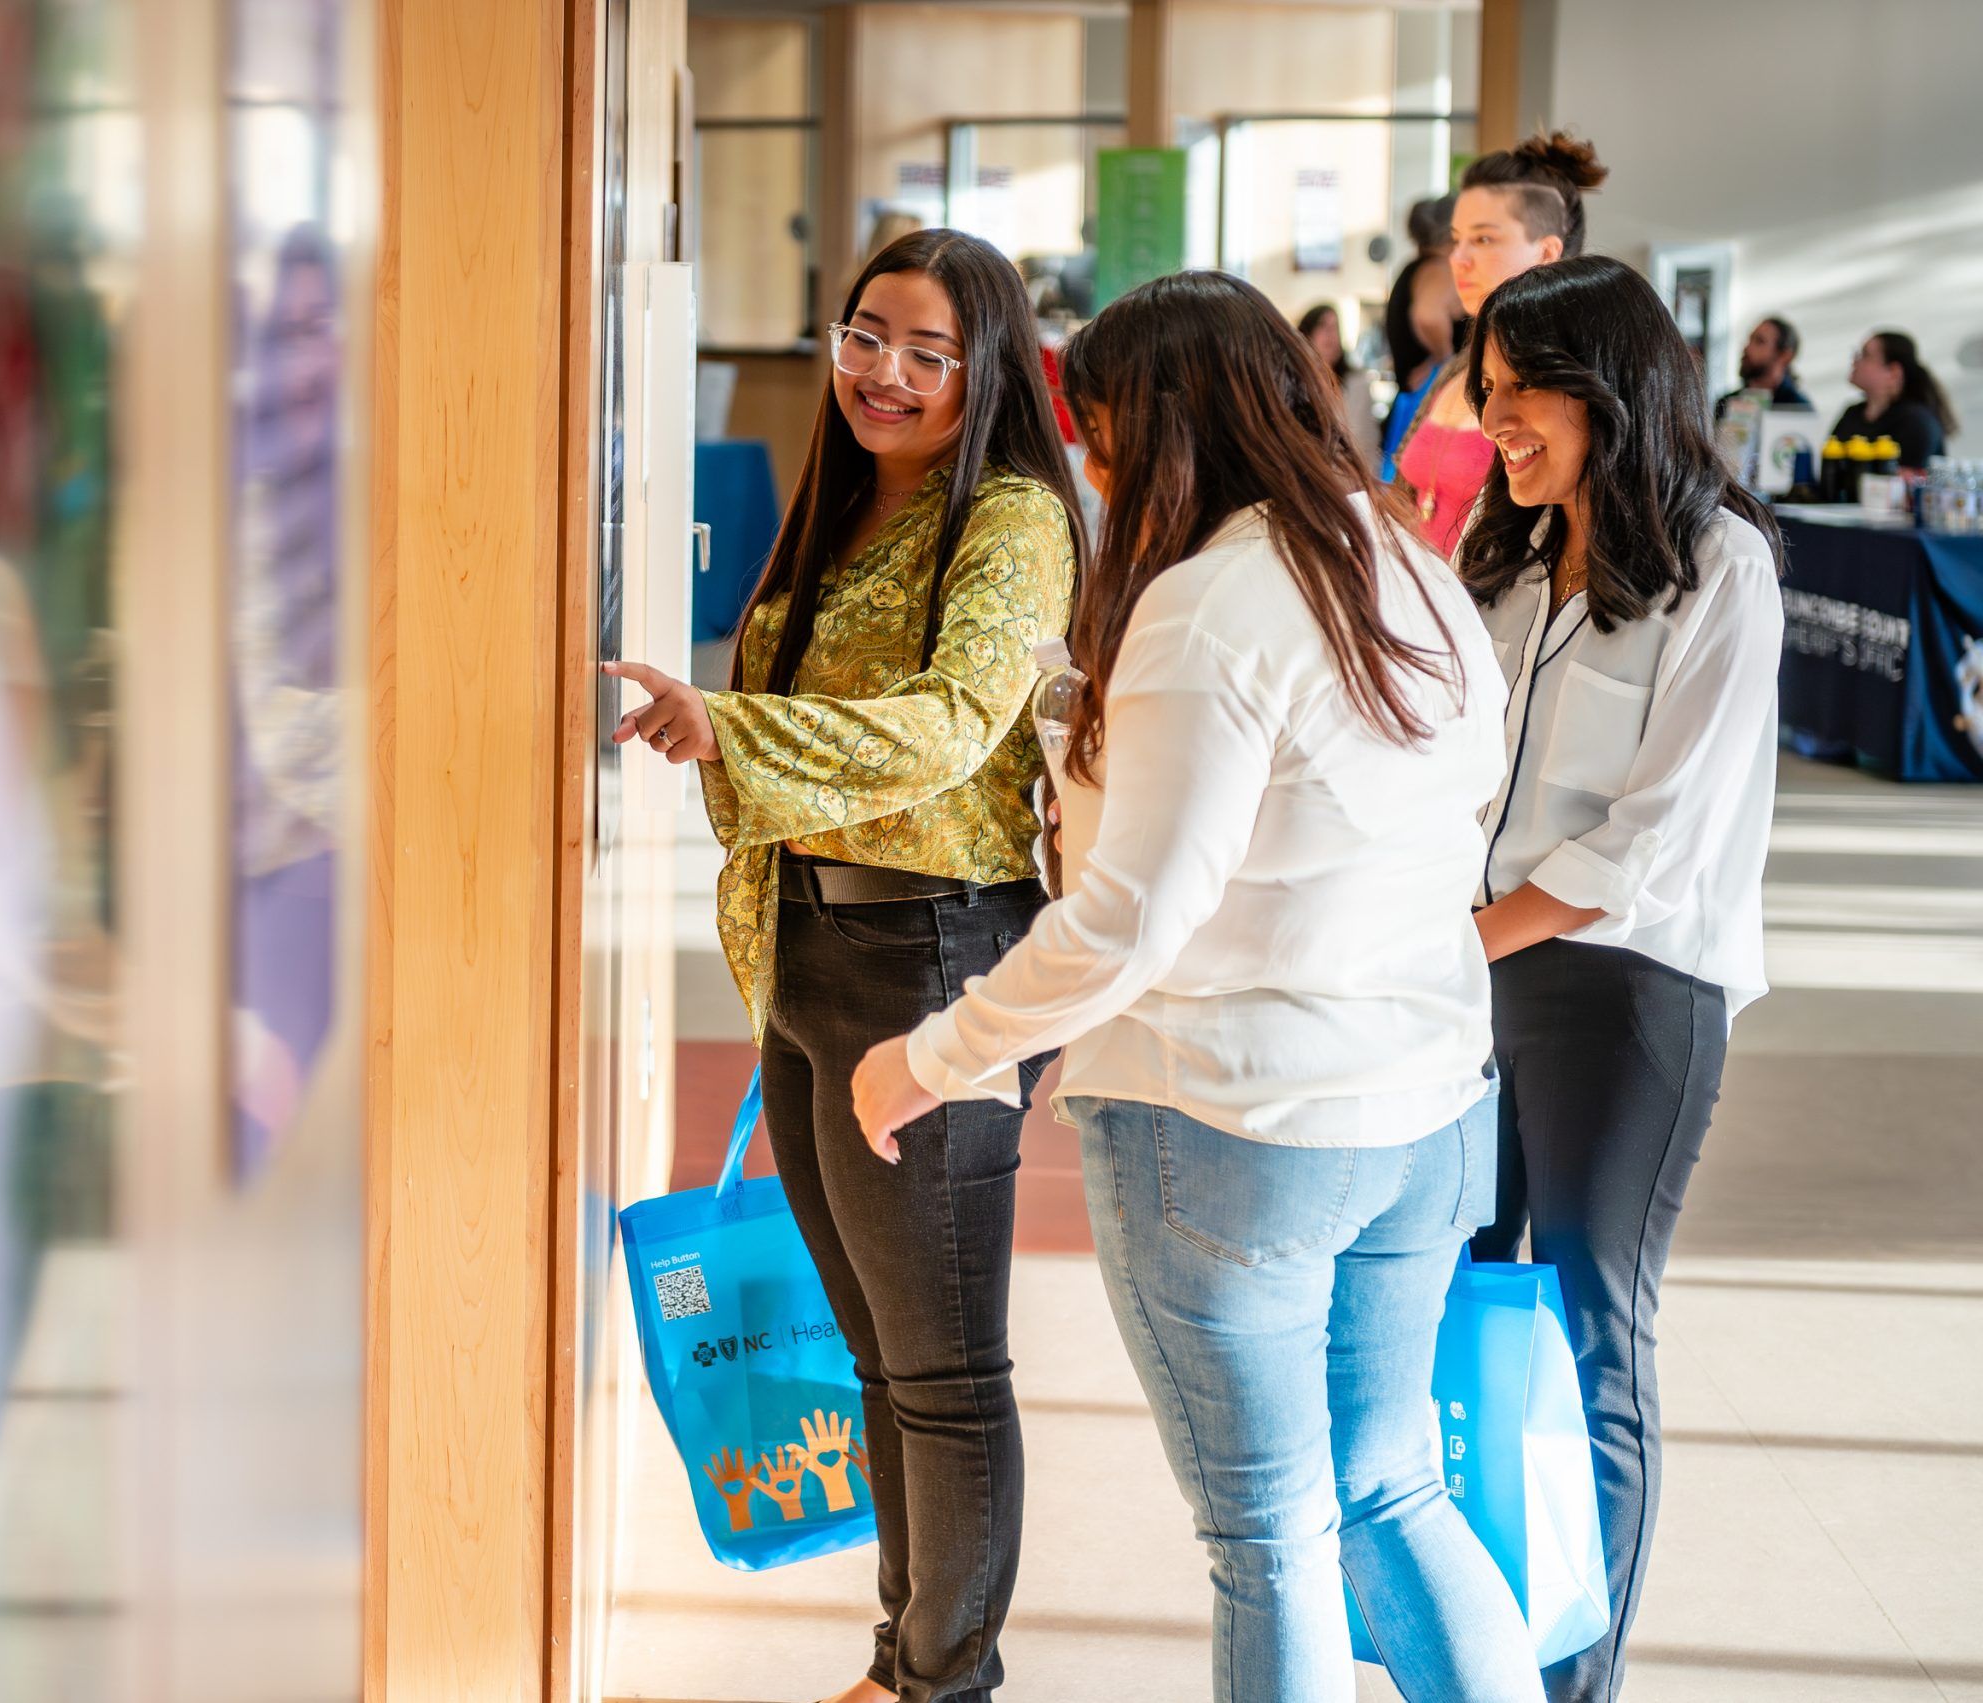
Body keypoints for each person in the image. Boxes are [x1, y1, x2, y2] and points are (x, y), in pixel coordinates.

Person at [851, 270, 1538, 1703]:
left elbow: (1127, 917)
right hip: (1425, 1108)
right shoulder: (1402, 560)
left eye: (1097, 439)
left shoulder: (1208, 605)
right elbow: (1461, 800)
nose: (1093, 473)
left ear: (1157, 433)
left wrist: (935, 1053)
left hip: (1232, 1127)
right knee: (1395, 1484)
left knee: (1272, 1536)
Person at [606, 227, 1083, 1703]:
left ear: (986, 366)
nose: (885, 372)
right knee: (877, 1352)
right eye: (866, 334)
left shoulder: (1008, 517)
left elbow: (950, 726)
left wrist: (723, 729)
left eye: (929, 352)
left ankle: (946, 1679)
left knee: (941, 1362)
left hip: (933, 952)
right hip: (810, 945)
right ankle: (903, 1658)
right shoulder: (840, 505)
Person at [1460, 255, 1785, 1703]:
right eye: (1490, 392)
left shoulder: (1726, 565)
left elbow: (1657, 834)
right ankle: (1473, 1645)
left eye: (1525, 391)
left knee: (1594, 1321)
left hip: (1627, 993)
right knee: (1471, 1307)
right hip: (1477, 977)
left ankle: (1576, 1680)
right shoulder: (1512, 557)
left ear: (1612, 386)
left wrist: (1458, 940)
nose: (1499, 421)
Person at [1397, 133, 1608, 553]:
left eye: (1484, 239)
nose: (1458, 259)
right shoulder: (1461, 368)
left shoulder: (1574, 381)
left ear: (1547, 252)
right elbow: (1409, 496)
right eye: (1456, 239)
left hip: (1495, 611)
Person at [1380, 250, 1462, 481]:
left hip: (1415, 392)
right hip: (1428, 390)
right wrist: (1445, 361)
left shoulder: (1414, 269)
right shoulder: (1437, 267)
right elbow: (1428, 315)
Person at [1832, 328, 1958, 470]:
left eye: (1865, 355)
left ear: (1893, 372)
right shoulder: (1852, 413)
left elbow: (1908, 481)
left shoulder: (1916, 420)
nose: (1855, 362)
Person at [1299, 301, 1381, 469]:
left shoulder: (1358, 383)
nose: (1331, 334)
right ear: (1307, 334)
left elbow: (1368, 443)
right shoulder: (1296, 385)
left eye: (1335, 327)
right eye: (1322, 326)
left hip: (1355, 483)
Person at [1713, 315, 1811, 419]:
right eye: (1750, 339)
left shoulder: (1799, 409)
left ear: (1784, 356)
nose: (1747, 348)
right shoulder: (1725, 404)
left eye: (1759, 341)